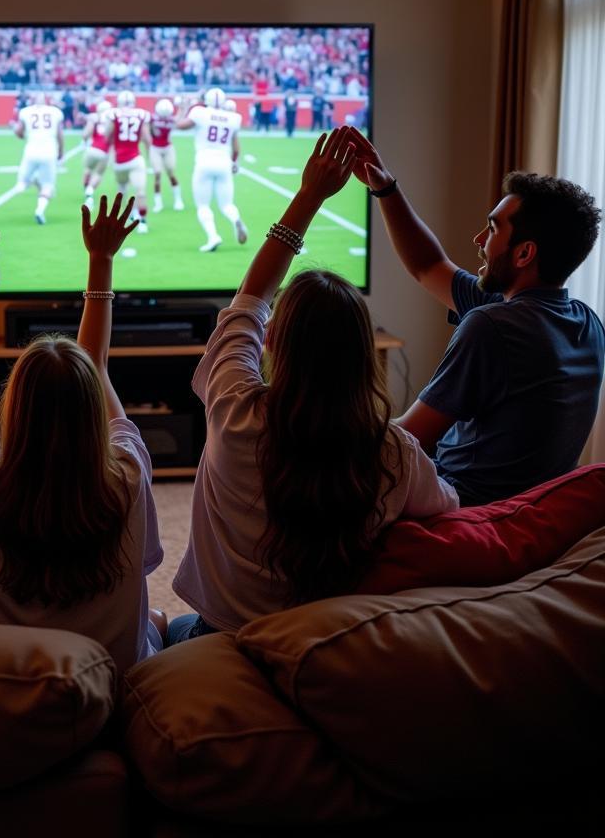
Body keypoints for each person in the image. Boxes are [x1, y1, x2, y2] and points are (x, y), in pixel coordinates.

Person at [169, 128, 459, 643]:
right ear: (361, 352)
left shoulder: (233, 406)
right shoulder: (393, 449)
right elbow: (447, 515)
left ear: (273, 340)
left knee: (164, 632)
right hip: (333, 639)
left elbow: (248, 302)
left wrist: (308, 197)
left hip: (222, 636)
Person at [0, 203, 165, 676]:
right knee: (169, 622)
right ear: (91, 410)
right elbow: (96, 365)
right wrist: (101, 259)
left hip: (13, 683)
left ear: (14, 406)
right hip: (114, 687)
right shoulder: (127, 469)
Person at [347, 126, 604, 504]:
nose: (478, 241)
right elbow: (428, 265)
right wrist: (385, 187)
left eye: (492, 229)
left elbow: (402, 442)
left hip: (462, 513)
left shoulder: (493, 327)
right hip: (529, 513)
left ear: (523, 254)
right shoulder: (586, 322)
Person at [175, 87, 247, 252]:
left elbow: (179, 125)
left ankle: (213, 236)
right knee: (227, 204)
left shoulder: (200, 112)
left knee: (203, 205)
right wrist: (234, 163)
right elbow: (236, 149)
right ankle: (235, 219)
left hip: (204, 161)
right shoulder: (233, 117)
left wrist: (183, 109)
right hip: (224, 162)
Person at [12, 91, 64, 224]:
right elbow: (60, 134)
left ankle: (32, 180)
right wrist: (61, 152)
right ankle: (39, 211)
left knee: (22, 183)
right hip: (49, 151)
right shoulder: (55, 112)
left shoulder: (25, 112)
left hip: (31, 150)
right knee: (48, 185)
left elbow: (18, 132)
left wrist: (22, 134)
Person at [104, 90, 151, 233]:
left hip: (120, 160)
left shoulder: (113, 114)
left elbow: (107, 135)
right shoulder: (141, 114)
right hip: (135, 157)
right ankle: (142, 221)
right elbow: (147, 138)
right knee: (140, 191)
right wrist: (149, 156)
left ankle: (125, 217)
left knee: (122, 189)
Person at [149, 98, 184, 213]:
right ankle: (158, 202)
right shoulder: (152, 119)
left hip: (168, 148)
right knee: (158, 173)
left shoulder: (171, 120)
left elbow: (179, 118)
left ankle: (178, 200)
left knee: (171, 173)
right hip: (155, 148)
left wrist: (182, 106)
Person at [82, 98, 113, 209]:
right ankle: (89, 192)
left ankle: (86, 190)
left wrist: (85, 143)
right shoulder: (113, 119)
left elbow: (85, 134)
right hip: (104, 152)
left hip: (92, 149)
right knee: (98, 174)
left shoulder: (95, 118)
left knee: (87, 170)